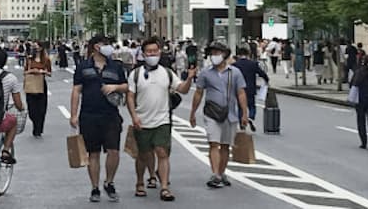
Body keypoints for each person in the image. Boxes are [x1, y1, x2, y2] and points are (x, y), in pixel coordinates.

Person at [127, 38, 195, 202]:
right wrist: (134, 116)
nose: (152, 54)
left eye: (155, 51)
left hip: (163, 120)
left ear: (160, 52)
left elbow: (182, 90)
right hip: (142, 120)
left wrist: (190, 78)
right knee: (143, 155)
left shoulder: (167, 73)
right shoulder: (135, 74)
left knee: (162, 153)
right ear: (143, 54)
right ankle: (139, 182)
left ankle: (164, 187)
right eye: (149, 52)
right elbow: (130, 96)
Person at [70, 35, 128, 203]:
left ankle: (109, 182)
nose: (108, 47)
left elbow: (125, 86)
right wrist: (74, 115)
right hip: (89, 115)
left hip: (111, 115)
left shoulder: (115, 66)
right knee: (93, 153)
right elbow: (76, 90)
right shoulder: (83, 67)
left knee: (113, 151)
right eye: (105, 44)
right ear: (96, 47)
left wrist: (115, 86)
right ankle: (94, 187)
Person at [189, 41, 249, 189]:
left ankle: (222, 173)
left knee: (225, 145)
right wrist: (193, 112)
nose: (214, 56)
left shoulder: (235, 73)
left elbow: (241, 93)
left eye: (217, 53)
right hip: (211, 113)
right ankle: (215, 174)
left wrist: (244, 113)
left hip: (230, 114)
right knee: (213, 143)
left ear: (225, 55)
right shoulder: (205, 73)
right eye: (213, 53)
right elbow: (198, 93)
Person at [231, 45, 269, 126]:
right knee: (251, 105)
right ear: (248, 54)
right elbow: (262, 73)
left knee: (240, 106)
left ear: (238, 55)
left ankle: (241, 121)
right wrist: (266, 80)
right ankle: (251, 117)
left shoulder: (235, 65)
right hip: (250, 88)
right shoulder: (253, 64)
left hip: (239, 88)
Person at [24, 40, 51, 138]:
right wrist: (32, 71)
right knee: (32, 110)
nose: (35, 49)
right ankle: (35, 124)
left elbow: (49, 73)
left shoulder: (46, 59)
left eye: (37, 47)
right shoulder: (29, 59)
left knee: (41, 109)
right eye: (34, 47)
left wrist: (41, 71)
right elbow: (25, 72)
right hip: (31, 85)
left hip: (41, 84)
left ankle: (38, 130)